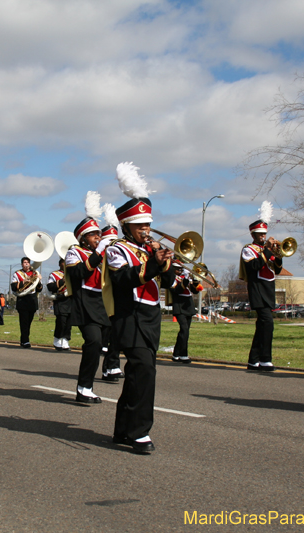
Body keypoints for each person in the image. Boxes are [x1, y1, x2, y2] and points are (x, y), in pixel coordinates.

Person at [104, 162, 175, 454]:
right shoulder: (116, 249)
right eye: (140, 226)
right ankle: (139, 432)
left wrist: (165, 260)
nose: (147, 230)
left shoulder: (150, 249)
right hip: (129, 316)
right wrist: (152, 264)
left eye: (148, 225)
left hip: (150, 316)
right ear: (127, 226)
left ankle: (122, 430)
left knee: (138, 372)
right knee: (145, 370)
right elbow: (124, 279)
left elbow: (168, 282)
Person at [65, 193, 111, 403]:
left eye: (98, 234)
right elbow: (78, 273)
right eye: (93, 235)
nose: (97, 238)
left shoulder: (103, 254)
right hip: (84, 302)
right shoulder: (74, 252)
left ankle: (95, 380)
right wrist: (99, 253)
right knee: (93, 342)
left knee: (102, 344)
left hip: (102, 303)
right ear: (83, 237)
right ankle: (84, 388)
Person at [239, 201, 282, 371]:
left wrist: (278, 255)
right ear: (253, 235)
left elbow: (276, 269)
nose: (263, 237)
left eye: (264, 234)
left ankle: (253, 360)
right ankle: (265, 359)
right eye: (259, 235)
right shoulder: (248, 249)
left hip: (269, 289)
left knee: (262, 325)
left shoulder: (268, 250)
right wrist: (268, 251)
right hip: (257, 290)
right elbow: (254, 267)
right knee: (267, 323)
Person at [98, 209, 123, 380]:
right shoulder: (98, 257)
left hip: (117, 299)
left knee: (117, 334)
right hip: (101, 302)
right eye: (109, 241)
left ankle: (111, 366)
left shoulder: (118, 254)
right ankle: (109, 366)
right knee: (106, 338)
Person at [169, 259, 201, 364]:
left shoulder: (184, 277)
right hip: (179, 305)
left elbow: (195, 291)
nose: (180, 271)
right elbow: (176, 290)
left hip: (188, 305)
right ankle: (183, 354)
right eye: (177, 269)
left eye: (181, 269)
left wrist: (195, 281)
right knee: (184, 330)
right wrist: (183, 283)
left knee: (184, 331)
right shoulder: (171, 278)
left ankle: (176, 354)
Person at [11, 257, 42, 348]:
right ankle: (25, 340)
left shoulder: (34, 273)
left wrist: (39, 281)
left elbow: (39, 289)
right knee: (24, 321)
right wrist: (23, 282)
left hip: (32, 299)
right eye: (25, 262)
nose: (27, 264)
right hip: (22, 299)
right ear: (22, 264)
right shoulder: (17, 273)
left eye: (28, 262)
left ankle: (24, 339)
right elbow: (13, 286)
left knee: (29, 322)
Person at [47, 258, 72, 350]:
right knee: (61, 321)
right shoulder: (54, 274)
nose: (65, 264)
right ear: (59, 264)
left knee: (69, 322)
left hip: (70, 300)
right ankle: (57, 339)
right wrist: (62, 281)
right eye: (63, 262)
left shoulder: (72, 273)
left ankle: (65, 340)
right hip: (60, 300)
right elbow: (50, 287)